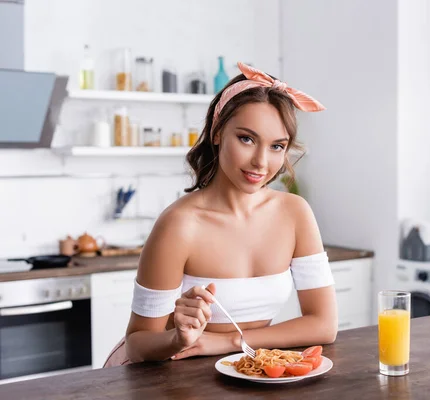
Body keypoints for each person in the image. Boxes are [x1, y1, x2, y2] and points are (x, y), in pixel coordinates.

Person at [103, 62, 338, 367]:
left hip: (245, 371)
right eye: (246, 139)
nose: (261, 163)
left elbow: (324, 325)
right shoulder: (180, 224)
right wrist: (178, 338)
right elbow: (137, 345)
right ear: (217, 133)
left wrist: (227, 342)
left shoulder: (295, 213)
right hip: (168, 378)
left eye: (276, 146)